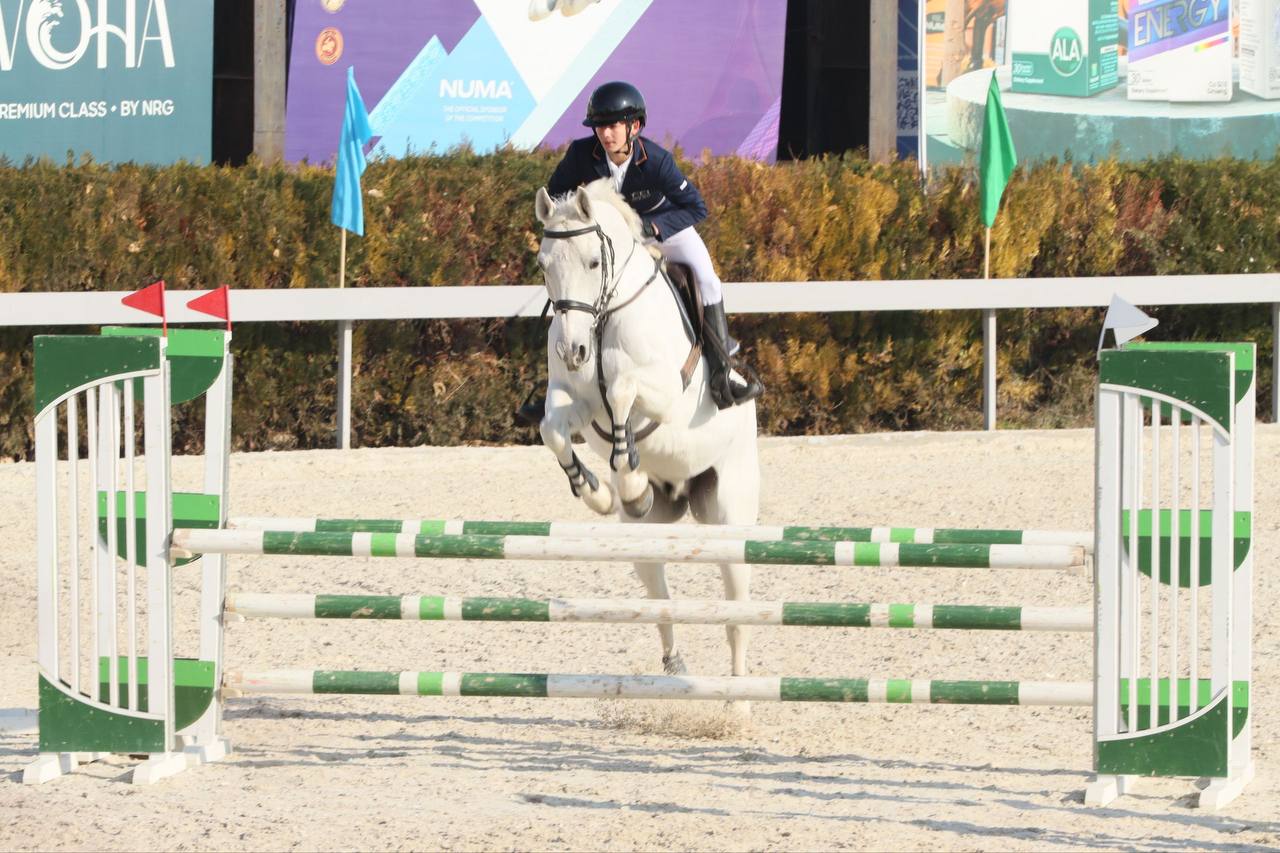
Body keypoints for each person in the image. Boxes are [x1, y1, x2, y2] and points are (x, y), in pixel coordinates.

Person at [524, 80, 762, 419]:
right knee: (574, 292)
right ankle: (555, 386)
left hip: (661, 230)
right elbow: (555, 195)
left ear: (634, 126)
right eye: (599, 127)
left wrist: (654, 228)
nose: (605, 134)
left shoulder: (657, 161)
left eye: (613, 126)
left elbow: (696, 207)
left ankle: (722, 372)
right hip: (612, 237)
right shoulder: (581, 154)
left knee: (708, 280)